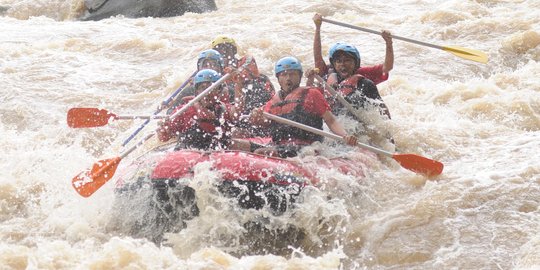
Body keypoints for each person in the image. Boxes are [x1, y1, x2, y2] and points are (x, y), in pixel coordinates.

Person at [248, 56, 357, 158]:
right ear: (278, 78)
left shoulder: (312, 94)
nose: (288, 78)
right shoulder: (273, 102)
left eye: (292, 74)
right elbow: (263, 123)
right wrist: (256, 117)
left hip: (306, 147)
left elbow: (331, 120)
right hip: (279, 146)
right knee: (237, 144)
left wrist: (345, 135)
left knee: (259, 153)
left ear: (299, 77)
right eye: (284, 75)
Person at [157, 69, 244, 150]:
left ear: (218, 92)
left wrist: (238, 84)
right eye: (203, 88)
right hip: (189, 154)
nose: (207, 92)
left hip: (216, 153)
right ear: (197, 92)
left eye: (211, 88)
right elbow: (164, 137)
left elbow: (236, 113)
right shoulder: (184, 111)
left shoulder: (222, 108)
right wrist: (163, 129)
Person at [312, 13, 394, 85]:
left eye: (347, 60)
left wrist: (388, 43)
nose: (342, 64)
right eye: (338, 61)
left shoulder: (363, 74)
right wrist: (317, 27)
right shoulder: (326, 73)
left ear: (356, 63)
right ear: (333, 64)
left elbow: (387, 67)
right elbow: (317, 56)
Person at [167, 49, 233, 113]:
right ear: (199, 69)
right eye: (205, 65)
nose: (209, 68)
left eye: (214, 65)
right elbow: (170, 112)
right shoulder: (189, 91)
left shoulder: (229, 90)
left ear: (220, 69)